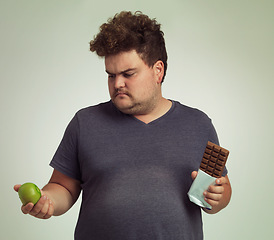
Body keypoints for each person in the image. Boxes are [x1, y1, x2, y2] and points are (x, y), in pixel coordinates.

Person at [14, 11, 232, 239]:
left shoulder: (198, 124)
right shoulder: (84, 122)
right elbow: (64, 188)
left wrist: (219, 197)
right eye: (111, 75)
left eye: (128, 74)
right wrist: (47, 201)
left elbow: (218, 191)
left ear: (158, 70)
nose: (117, 83)